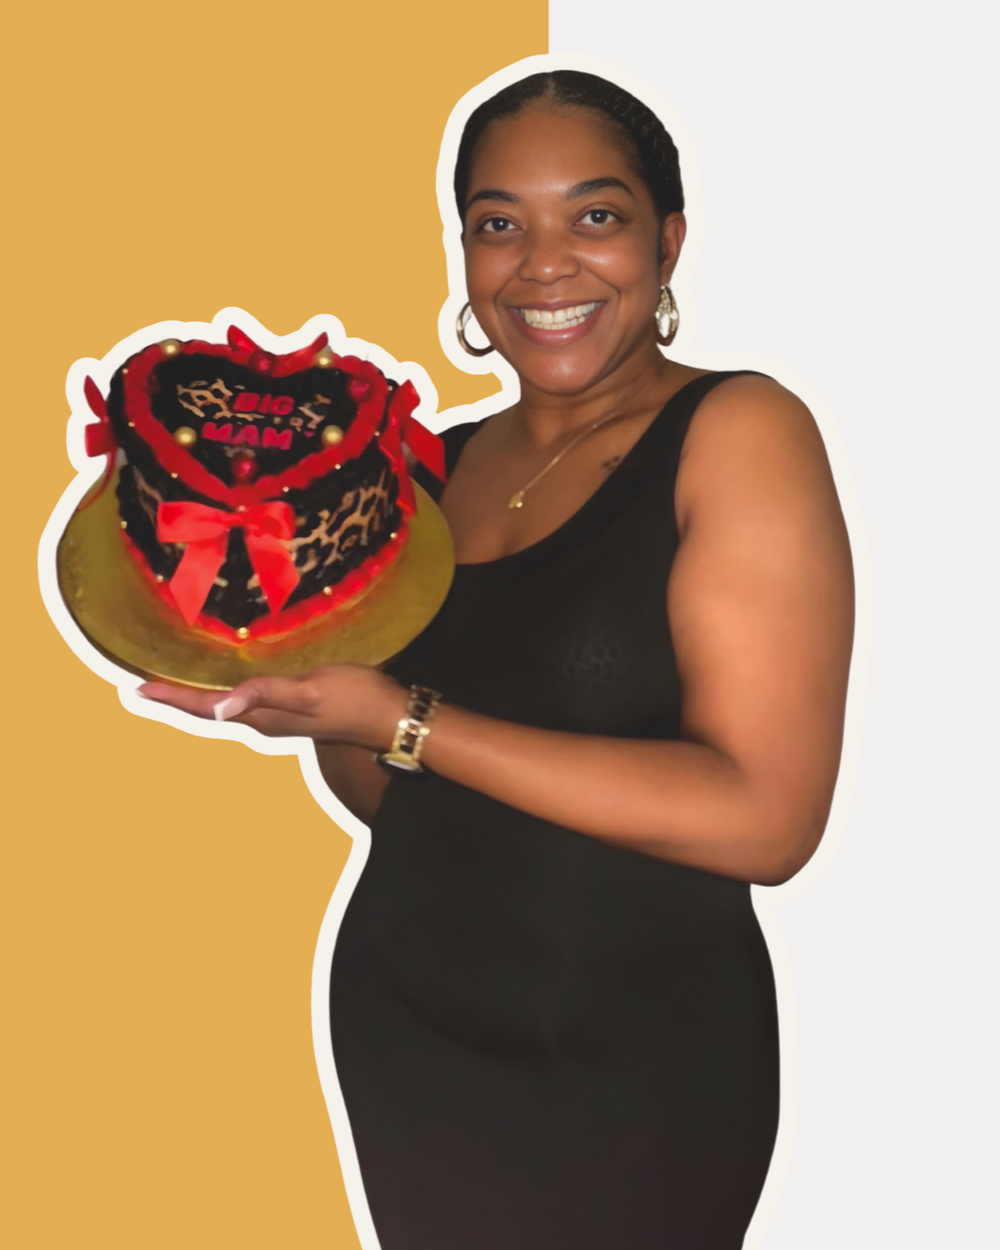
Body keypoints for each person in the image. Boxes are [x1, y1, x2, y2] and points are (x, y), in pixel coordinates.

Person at [142, 70, 854, 1250]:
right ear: (462, 253)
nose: (543, 263)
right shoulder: (421, 466)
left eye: (595, 215)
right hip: (409, 1027)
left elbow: (766, 819)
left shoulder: (735, 430)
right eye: (497, 223)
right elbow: (394, 798)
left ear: (668, 241)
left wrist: (405, 714)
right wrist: (307, 688)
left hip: (636, 1057)